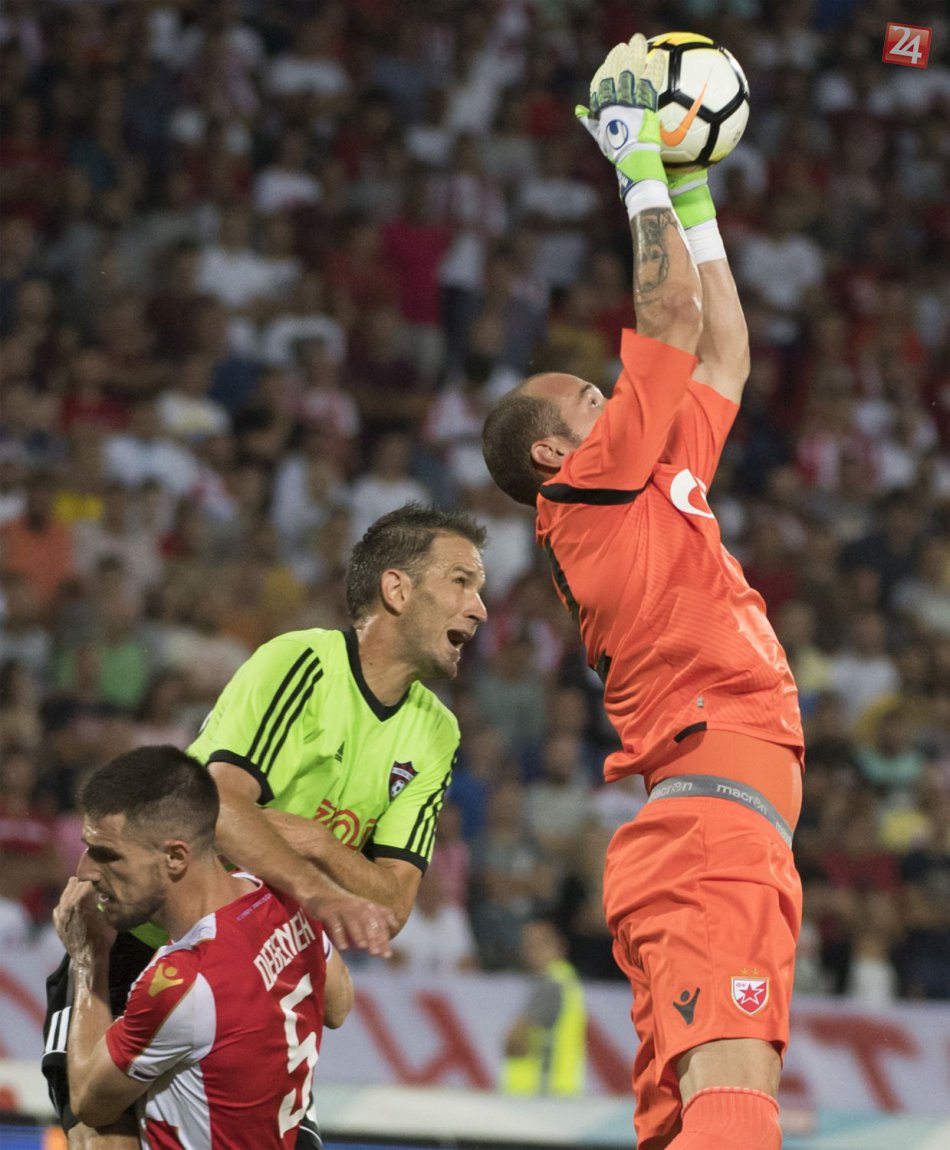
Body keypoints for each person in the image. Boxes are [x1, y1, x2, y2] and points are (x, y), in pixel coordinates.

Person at [482, 37, 803, 1150]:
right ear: (552, 453)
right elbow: (667, 324)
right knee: (733, 1107)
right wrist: (634, 168)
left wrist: (692, 194)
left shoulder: (652, 483)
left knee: (695, 1121)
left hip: (711, 823)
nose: (612, 393)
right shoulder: (586, 494)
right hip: (712, 825)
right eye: (589, 395)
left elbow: (723, 359)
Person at [43, 502, 488, 1148]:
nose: (479, 609)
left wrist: (315, 841)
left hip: (261, 967)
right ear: (397, 589)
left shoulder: (437, 733)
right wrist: (322, 890)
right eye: (461, 582)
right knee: (101, 1126)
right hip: (136, 940)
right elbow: (218, 806)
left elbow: (391, 905)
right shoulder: (301, 662)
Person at [51, 745, 353, 1150]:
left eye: (107, 855)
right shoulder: (283, 898)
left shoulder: (182, 982)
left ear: (176, 857)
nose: (85, 871)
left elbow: (90, 1102)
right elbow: (339, 1006)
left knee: (94, 1131)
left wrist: (89, 958)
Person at [502, 917, 586, 1097]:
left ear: (560, 947)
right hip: (563, 1088)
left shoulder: (550, 984)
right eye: (528, 945)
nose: (532, 952)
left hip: (540, 1090)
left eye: (540, 944)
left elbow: (515, 1041)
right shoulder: (568, 981)